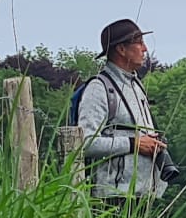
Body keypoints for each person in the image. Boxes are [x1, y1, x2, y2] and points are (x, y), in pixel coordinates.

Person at [76, 18, 177, 207]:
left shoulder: (136, 84)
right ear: (121, 49)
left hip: (142, 195)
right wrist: (134, 144)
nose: (145, 49)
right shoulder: (98, 88)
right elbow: (86, 143)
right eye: (138, 42)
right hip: (111, 198)